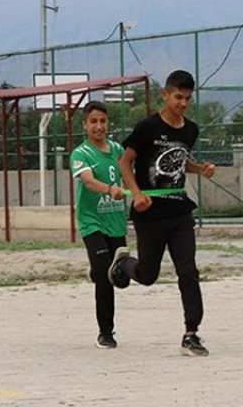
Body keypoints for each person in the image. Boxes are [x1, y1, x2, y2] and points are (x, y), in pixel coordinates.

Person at [108, 70, 216, 357]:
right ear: (165, 95)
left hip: (179, 211)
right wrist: (138, 193)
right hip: (150, 213)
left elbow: (181, 161)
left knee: (188, 271)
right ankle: (124, 264)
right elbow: (124, 161)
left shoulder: (190, 130)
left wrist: (200, 169)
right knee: (147, 275)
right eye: (178, 97)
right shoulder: (148, 128)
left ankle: (191, 333)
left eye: (188, 98)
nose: (183, 103)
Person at [71, 101, 129, 349]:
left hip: (115, 221)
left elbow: (129, 173)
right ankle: (106, 332)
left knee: (119, 277)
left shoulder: (118, 149)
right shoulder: (80, 153)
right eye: (93, 121)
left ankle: (96, 270)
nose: (98, 126)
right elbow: (88, 182)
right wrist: (109, 189)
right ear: (85, 124)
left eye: (102, 121)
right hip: (92, 222)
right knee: (106, 276)